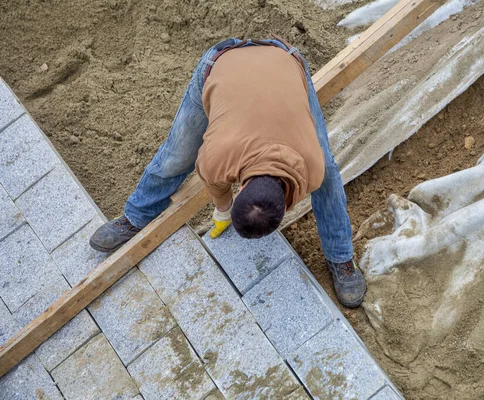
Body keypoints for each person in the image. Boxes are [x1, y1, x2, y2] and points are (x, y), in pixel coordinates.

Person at [89, 37, 366, 308]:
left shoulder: (313, 167)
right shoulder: (216, 157)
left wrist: (225, 211)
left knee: (330, 173)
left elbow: (313, 174)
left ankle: (341, 256)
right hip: (221, 64)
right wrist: (223, 211)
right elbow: (213, 184)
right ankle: (136, 216)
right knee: (176, 157)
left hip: (284, 62)